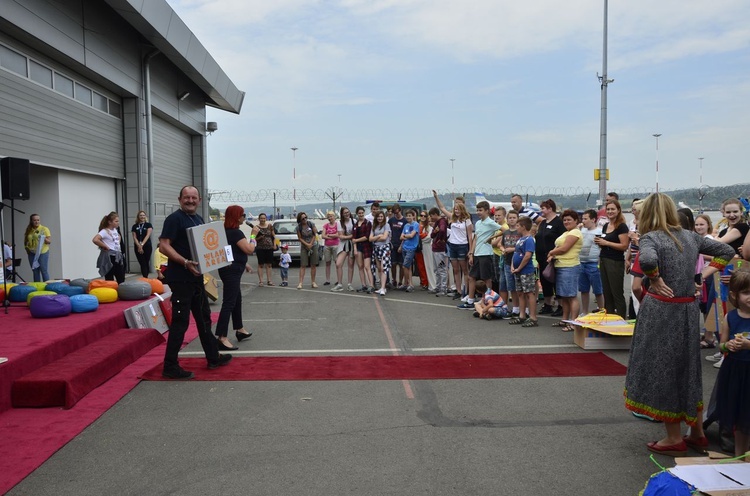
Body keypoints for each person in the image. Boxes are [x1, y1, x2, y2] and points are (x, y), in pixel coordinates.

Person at [623, 193, 735, 456]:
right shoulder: (690, 236)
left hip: (662, 311)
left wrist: (655, 278)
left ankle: (674, 437)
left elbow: (648, 260)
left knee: (662, 368)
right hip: (687, 309)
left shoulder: (652, 237)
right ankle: (696, 432)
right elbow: (727, 251)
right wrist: (702, 274)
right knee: (688, 368)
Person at [158, 186, 231, 379]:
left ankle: (213, 357)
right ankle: (170, 366)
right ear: (179, 199)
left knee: (204, 318)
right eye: (186, 197)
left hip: (196, 278)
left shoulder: (197, 219)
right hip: (181, 278)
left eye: (193, 197)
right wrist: (184, 262)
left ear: (199, 199)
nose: (190, 200)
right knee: (180, 322)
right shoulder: (174, 219)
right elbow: (163, 246)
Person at [716, 269, 750, 460]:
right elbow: (721, 345)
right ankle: (740, 456)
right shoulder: (731, 317)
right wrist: (728, 345)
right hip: (735, 373)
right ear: (734, 295)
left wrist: (747, 345)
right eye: (746, 292)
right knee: (739, 418)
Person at [215, 206, 258, 350]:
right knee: (229, 302)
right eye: (242, 215)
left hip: (231, 269)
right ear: (236, 216)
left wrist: (243, 263)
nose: (244, 217)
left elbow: (229, 251)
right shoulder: (236, 233)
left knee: (236, 299)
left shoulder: (225, 232)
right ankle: (221, 337)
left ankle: (239, 329)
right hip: (232, 272)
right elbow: (249, 249)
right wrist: (253, 236)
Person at [457, 201, 502, 309]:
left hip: (486, 254)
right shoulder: (478, 223)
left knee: (486, 279)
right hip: (477, 253)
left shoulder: (490, 223)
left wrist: (491, 238)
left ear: (487, 211)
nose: (478, 212)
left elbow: (505, 230)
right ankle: (470, 300)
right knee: (472, 277)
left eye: (480, 210)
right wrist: (471, 253)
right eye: (477, 210)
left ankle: (488, 300)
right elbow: (475, 238)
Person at [546, 209, 582, 331]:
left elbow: (564, 248)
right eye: (565, 220)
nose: (566, 222)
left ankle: (573, 322)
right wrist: (553, 254)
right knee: (564, 296)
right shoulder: (566, 232)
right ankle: (564, 320)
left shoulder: (575, 232)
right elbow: (559, 247)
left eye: (569, 219)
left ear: (576, 221)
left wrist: (551, 252)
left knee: (571, 296)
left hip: (570, 266)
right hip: (561, 266)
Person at [594, 199, 629, 318]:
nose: (610, 211)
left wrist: (606, 243)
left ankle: (621, 319)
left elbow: (624, 246)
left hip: (615, 262)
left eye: (612, 209)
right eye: (608, 209)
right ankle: (609, 320)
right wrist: (600, 243)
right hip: (604, 260)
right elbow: (605, 242)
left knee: (617, 293)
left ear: (618, 210)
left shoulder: (622, 226)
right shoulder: (605, 226)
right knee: (607, 293)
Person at [535, 199, 565, 316]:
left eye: (543, 208)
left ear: (550, 209)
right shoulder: (542, 223)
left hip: (553, 258)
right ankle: (548, 304)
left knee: (556, 281)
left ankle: (561, 305)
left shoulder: (559, 223)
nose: (541, 211)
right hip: (541, 258)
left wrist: (554, 254)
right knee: (544, 280)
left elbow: (562, 240)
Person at [509, 217, 538, 327]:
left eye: (518, 226)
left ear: (523, 227)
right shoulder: (520, 239)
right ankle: (522, 315)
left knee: (529, 293)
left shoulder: (529, 239)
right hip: (518, 271)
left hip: (526, 271)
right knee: (520, 293)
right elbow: (515, 253)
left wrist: (519, 268)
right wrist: (513, 266)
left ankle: (533, 317)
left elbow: (527, 255)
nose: (516, 228)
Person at [578, 209, 605, 314]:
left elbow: (601, 246)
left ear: (593, 220)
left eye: (585, 219)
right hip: (582, 262)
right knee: (584, 290)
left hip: (593, 263)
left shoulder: (599, 232)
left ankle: (601, 310)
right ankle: (584, 311)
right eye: (582, 218)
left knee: (598, 290)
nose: (583, 221)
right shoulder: (581, 230)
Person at [497, 210, 521, 318]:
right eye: (510, 218)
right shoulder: (506, 232)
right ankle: (511, 307)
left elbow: (523, 246)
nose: (512, 219)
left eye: (514, 218)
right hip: (507, 261)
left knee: (517, 286)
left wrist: (512, 249)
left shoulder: (519, 232)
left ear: (517, 219)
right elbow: (500, 244)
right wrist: (502, 249)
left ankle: (519, 308)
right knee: (510, 286)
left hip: (517, 261)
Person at [447, 202, 473, 299]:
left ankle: (466, 291)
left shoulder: (467, 220)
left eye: (458, 209)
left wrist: (470, 250)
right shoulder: (452, 218)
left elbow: (470, 236)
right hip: (452, 245)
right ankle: (458, 291)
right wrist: (436, 197)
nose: (457, 211)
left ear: (462, 210)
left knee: (465, 270)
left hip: (462, 245)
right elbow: (442, 208)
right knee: (456, 270)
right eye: (455, 209)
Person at [92, 211, 125, 283]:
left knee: (121, 276)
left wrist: (117, 242)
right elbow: (95, 239)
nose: (118, 223)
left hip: (117, 255)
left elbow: (118, 237)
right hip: (110, 256)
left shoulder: (115, 230)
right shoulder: (104, 231)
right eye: (116, 221)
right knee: (109, 277)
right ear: (110, 222)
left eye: (118, 221)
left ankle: (121, 291)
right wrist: (105, 246)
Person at [23, 214, 52, 282]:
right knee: (35, 271)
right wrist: (27, 249)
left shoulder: (44, 229)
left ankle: (47, 286)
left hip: (42, 252)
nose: (36, 222)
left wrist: (43, 238)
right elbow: (26, 240)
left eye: (38, 220)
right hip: (32, 253)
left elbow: (49, 241)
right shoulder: (29, 230)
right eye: (34, 220)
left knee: (43, 270)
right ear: (31, 221)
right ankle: (37, 287)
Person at [333, 207, 355, 292]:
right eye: (345, 212)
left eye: (348, 212)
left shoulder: (354, 221)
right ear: (342, 214)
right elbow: (341, 237)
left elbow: (354, 235)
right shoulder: (339, 223)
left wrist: (347, 236)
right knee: (338, 264)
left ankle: (349, 284)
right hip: (343, 245)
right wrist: (351, 236)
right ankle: (339, 284)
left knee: (351, 264)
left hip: (352, 245)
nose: (347, 214)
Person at [369, 211, 392, 296]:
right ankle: (382, 287)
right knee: (379, 268)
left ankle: (383, 287)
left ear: (384, 217)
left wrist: (375, 238)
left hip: (385, 248)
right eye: (378, 216)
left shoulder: (387, 225)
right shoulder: (374, 226)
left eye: (381, 216)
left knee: (383, 267)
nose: (380, 218)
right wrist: (378, 236)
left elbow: (385, 238)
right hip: (376, 248)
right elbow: (370, 239)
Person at [352, 206, 373, 293]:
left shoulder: (368, 223)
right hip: (358, 247)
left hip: (366, 246)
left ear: (364, 213)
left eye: (362, 213)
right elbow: (353, 237)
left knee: (367, 267)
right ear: (357, 214)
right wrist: (355, 249)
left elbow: (367, 237)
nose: (361, 214)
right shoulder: (355, 224)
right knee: (360, 267)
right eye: (359, 213)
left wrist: (356, 240)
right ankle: (363, 285)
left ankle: (371, 285)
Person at [296, 212, 319, 289]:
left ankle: (313, 282)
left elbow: (314, 234)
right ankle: (300, 283)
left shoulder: (311, 224)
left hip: (313, 245)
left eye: (305, 217)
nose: (305, 219)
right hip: (304, 246)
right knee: (303, 265)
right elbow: (299, 238)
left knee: (313, 264)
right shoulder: (298, 227)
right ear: (300, 219)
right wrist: (306, 245)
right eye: (303, 218)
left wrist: (311, 244)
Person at [429, 207, 449, 296]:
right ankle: (438, 286)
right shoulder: (437, 223)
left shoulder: (442, 222)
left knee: (441, 269)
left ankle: (443, 288)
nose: (431, 218)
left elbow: (442, 230)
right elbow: (432, 235)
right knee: (436, 269)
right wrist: (436, 233)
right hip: (435, 248)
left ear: (435, 214)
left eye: (431, 216)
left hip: (440, 249)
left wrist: (440, 239)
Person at [399, 209, 420, 292]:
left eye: (410, 216)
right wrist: (401, 246)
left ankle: (408, 283)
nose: (408, 217)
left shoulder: (416, 225)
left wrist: (405, 235)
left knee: (405, 266)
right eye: (407, 216)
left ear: (413, 216)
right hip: (405, 247)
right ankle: (408, 283)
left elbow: (412, 235)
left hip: (411, 248)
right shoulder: (406, 225)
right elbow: (401, 237)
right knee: (408, 266)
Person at [254, 213, 276, 286]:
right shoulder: (256, 227)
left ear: (266, 218)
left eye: (264, 218)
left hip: (269, 248)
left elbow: (274, 236)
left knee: (269, 264)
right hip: (260, 248)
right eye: (261, 218)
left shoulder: (269, 226)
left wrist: (274, 245)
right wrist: (259, 238)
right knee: (260, 264)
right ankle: (261, 281)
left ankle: (269, 280)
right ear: (259, 219)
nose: (262, 220)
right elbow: (252, 238)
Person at [130, 210, 153, 278]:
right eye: (141, 215)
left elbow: (148, 235)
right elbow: (134, 237)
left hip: (147, 245)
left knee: (146, 261)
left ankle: (146, 276)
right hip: (137, 245)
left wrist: (142, 245)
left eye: (143, 215)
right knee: (142, 262)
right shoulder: (135, 226)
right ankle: (144, 276)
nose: (142, 216)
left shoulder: (148, 225)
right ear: (138, 217)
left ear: (145, 216)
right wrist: (139, 246)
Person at [388, 204, 406, 288]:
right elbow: (388, 232)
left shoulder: (405, 221)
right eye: (394, 213)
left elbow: (406, 234)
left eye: (397, 212)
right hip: (393, 245)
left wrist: (401, 245)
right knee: (393, 264)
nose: (396, 214)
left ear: (400, 210)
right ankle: (394, 280)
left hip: (401, 244)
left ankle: (400, 281)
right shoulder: (391, 220)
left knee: (402, 264)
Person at [321, 211, 339, 286]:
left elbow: (338, 234)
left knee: (337, 263)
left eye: (331, 216)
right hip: (327, 246)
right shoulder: (326, 225)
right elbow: (322, 236)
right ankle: (327, 280)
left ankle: (339, 279)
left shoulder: (338, 225)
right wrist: (332, 235)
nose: (330, 218)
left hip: (335, 245)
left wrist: (329, 235)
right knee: (327, 263)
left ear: (334, 217)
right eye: (328, 217)